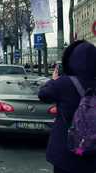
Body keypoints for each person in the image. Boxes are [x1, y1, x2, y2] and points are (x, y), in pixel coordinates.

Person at [38, 40, 96, 173]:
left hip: (66, 150)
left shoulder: (65, 83)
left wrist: (54, 80)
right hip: (91, 152)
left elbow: (43, 95)